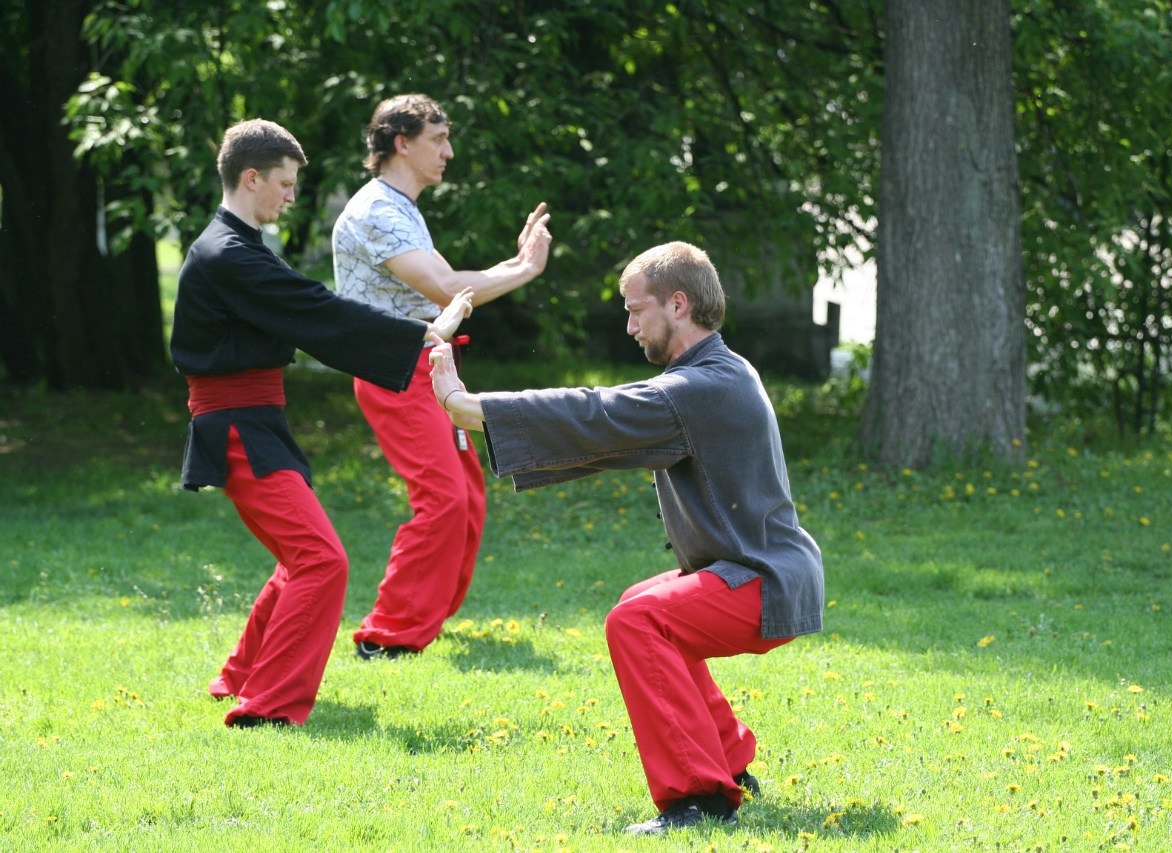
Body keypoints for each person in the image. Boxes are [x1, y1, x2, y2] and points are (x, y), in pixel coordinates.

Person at [427, 241, 825, 834]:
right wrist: (474, 411)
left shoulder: (701, 387)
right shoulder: (716, 372)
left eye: (638, 310)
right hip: (762, 572)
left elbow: (596, 412)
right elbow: (607, 430)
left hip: (766, 582)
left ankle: (700, 799)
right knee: (640, 606)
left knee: (640, 625)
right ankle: (731, 765)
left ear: (679, 304)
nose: (630, 326)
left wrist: (467, 404)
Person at [170, 118, 474, 727]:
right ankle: (269, 708)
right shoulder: (228, 254)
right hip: (236, 425)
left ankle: (241, 678)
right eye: (283, 183)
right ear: (250, 178)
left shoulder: (241, 246)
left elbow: (309, 314)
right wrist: (422, 334)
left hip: (255, 420)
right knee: (320, 560)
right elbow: (317, 311)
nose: (291, 196)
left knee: (301, 555)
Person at [332, 93, 552, 660]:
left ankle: (427, 613)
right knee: (443, 498)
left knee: (467, 496)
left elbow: (453, 283)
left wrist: (516, 264)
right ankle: (387, 634)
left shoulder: (400, 206)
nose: (449, 152)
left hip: (427, 365)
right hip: (393, 370)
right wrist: (524, 269)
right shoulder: (376, 211)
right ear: (401, 143)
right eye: (438, 138)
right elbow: (447, 289)